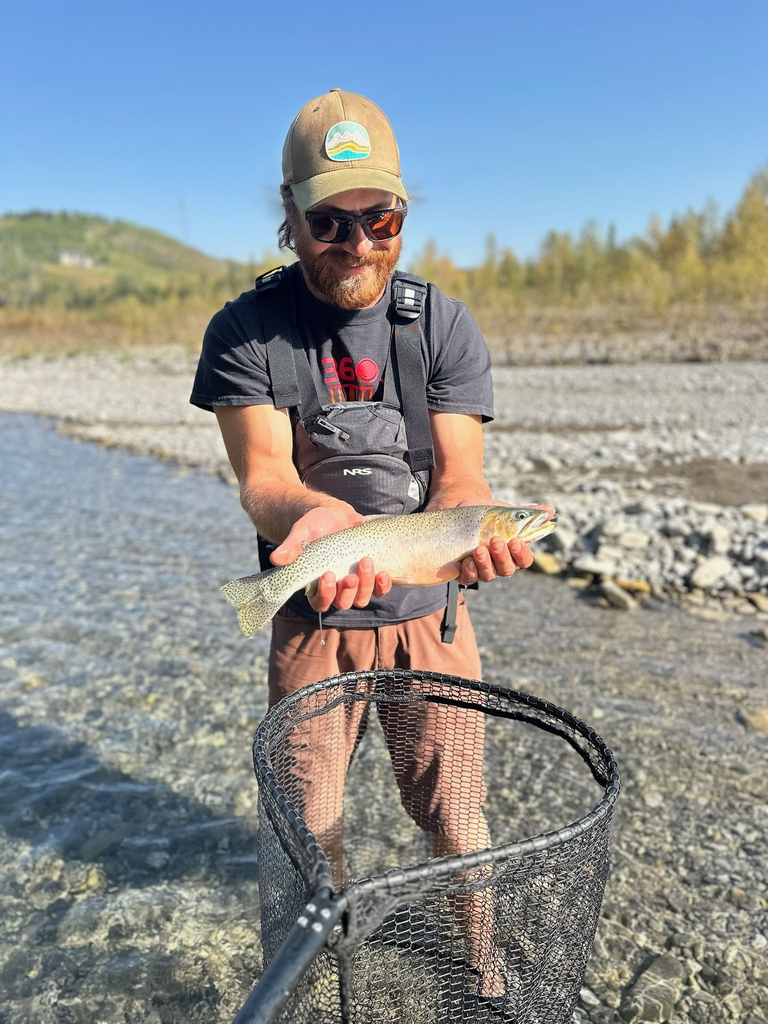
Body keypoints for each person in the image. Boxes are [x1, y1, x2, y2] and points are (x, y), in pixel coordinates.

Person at [191, 89, 544, 1005]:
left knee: (457, 811)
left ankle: (481, 963)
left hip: (432, 619)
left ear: (401, 212)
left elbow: (461, 483)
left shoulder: (444, 326)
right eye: (329, 222)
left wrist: (480, 529)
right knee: (313, 820)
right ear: (290, 215)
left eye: (379, 218)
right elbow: (263, 478)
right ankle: (329, 958)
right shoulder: (244, 332)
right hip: (313, 610)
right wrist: (309, 518)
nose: (357, 243)